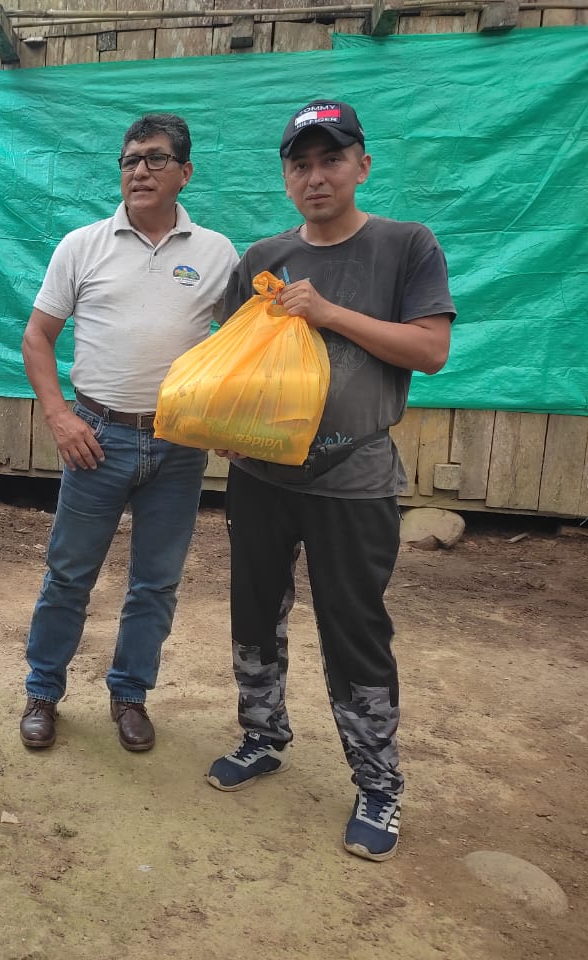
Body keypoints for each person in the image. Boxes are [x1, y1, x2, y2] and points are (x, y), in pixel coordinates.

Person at [204, 100, 454, 862]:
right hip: (259, 472)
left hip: (354, 477)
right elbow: (232, 353)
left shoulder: (405, 245)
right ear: (285, 177)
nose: (316, 177)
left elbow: (430, 350)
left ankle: (378, 783)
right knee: (254, 610)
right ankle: (262, 735)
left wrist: (329, 313)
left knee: (355, 628)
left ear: (361, 166)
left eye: (331, 160)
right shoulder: (264, 257)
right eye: (301, 164)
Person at [19, 114, 238, 753]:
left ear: (185, 172)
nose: (140, 171)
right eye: (130, 160)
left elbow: (242, 346)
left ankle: (131, 694)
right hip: (96, 438)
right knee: (68, 575)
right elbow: (37, 337)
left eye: (156, 159)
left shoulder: (216, 254)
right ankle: (42, 692)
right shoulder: (81, 246)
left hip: (180, 445)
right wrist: (59, 417)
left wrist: (228, 419)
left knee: (156, 582)